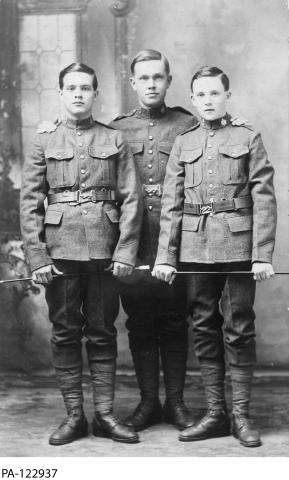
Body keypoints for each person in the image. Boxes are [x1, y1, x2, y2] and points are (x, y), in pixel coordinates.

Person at [111, 51, 247, 432]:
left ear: (169, 81)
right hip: (134, 236)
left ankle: (176, 403)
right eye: (144, 78)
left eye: (158, 77)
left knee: (175, 320)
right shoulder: (116, 129)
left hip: (181, 238)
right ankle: (147, 403)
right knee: (139, 321)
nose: (152, 84)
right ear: (134, 82)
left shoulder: (190, 123)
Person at [153, 66, 277, 447]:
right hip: (195, 247)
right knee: (204, 324)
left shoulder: (247, 135)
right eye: (201, 95)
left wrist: (261, 253)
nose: (208, 100)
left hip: (239, 247)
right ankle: (214, 413)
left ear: (227, 96)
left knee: (239, 325)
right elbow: (171, 205)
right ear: (192, 100)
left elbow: (263, 197)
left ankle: (240, 415)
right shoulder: (183, 141)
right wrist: (165, 257)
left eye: (214, 94)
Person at [20, 62, 142, 446]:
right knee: (66, 332)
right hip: (60, 250)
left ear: (95, 93)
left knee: (104, 332)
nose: (78, 94)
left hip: (105, 249)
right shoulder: (44, 140)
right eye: (71, 88)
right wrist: (38, 257)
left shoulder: (113, 139)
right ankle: (74, 417)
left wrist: (125, 251)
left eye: (85, 88)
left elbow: (131, 198)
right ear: (61, 93)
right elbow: (29, 204)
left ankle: (105, 415)